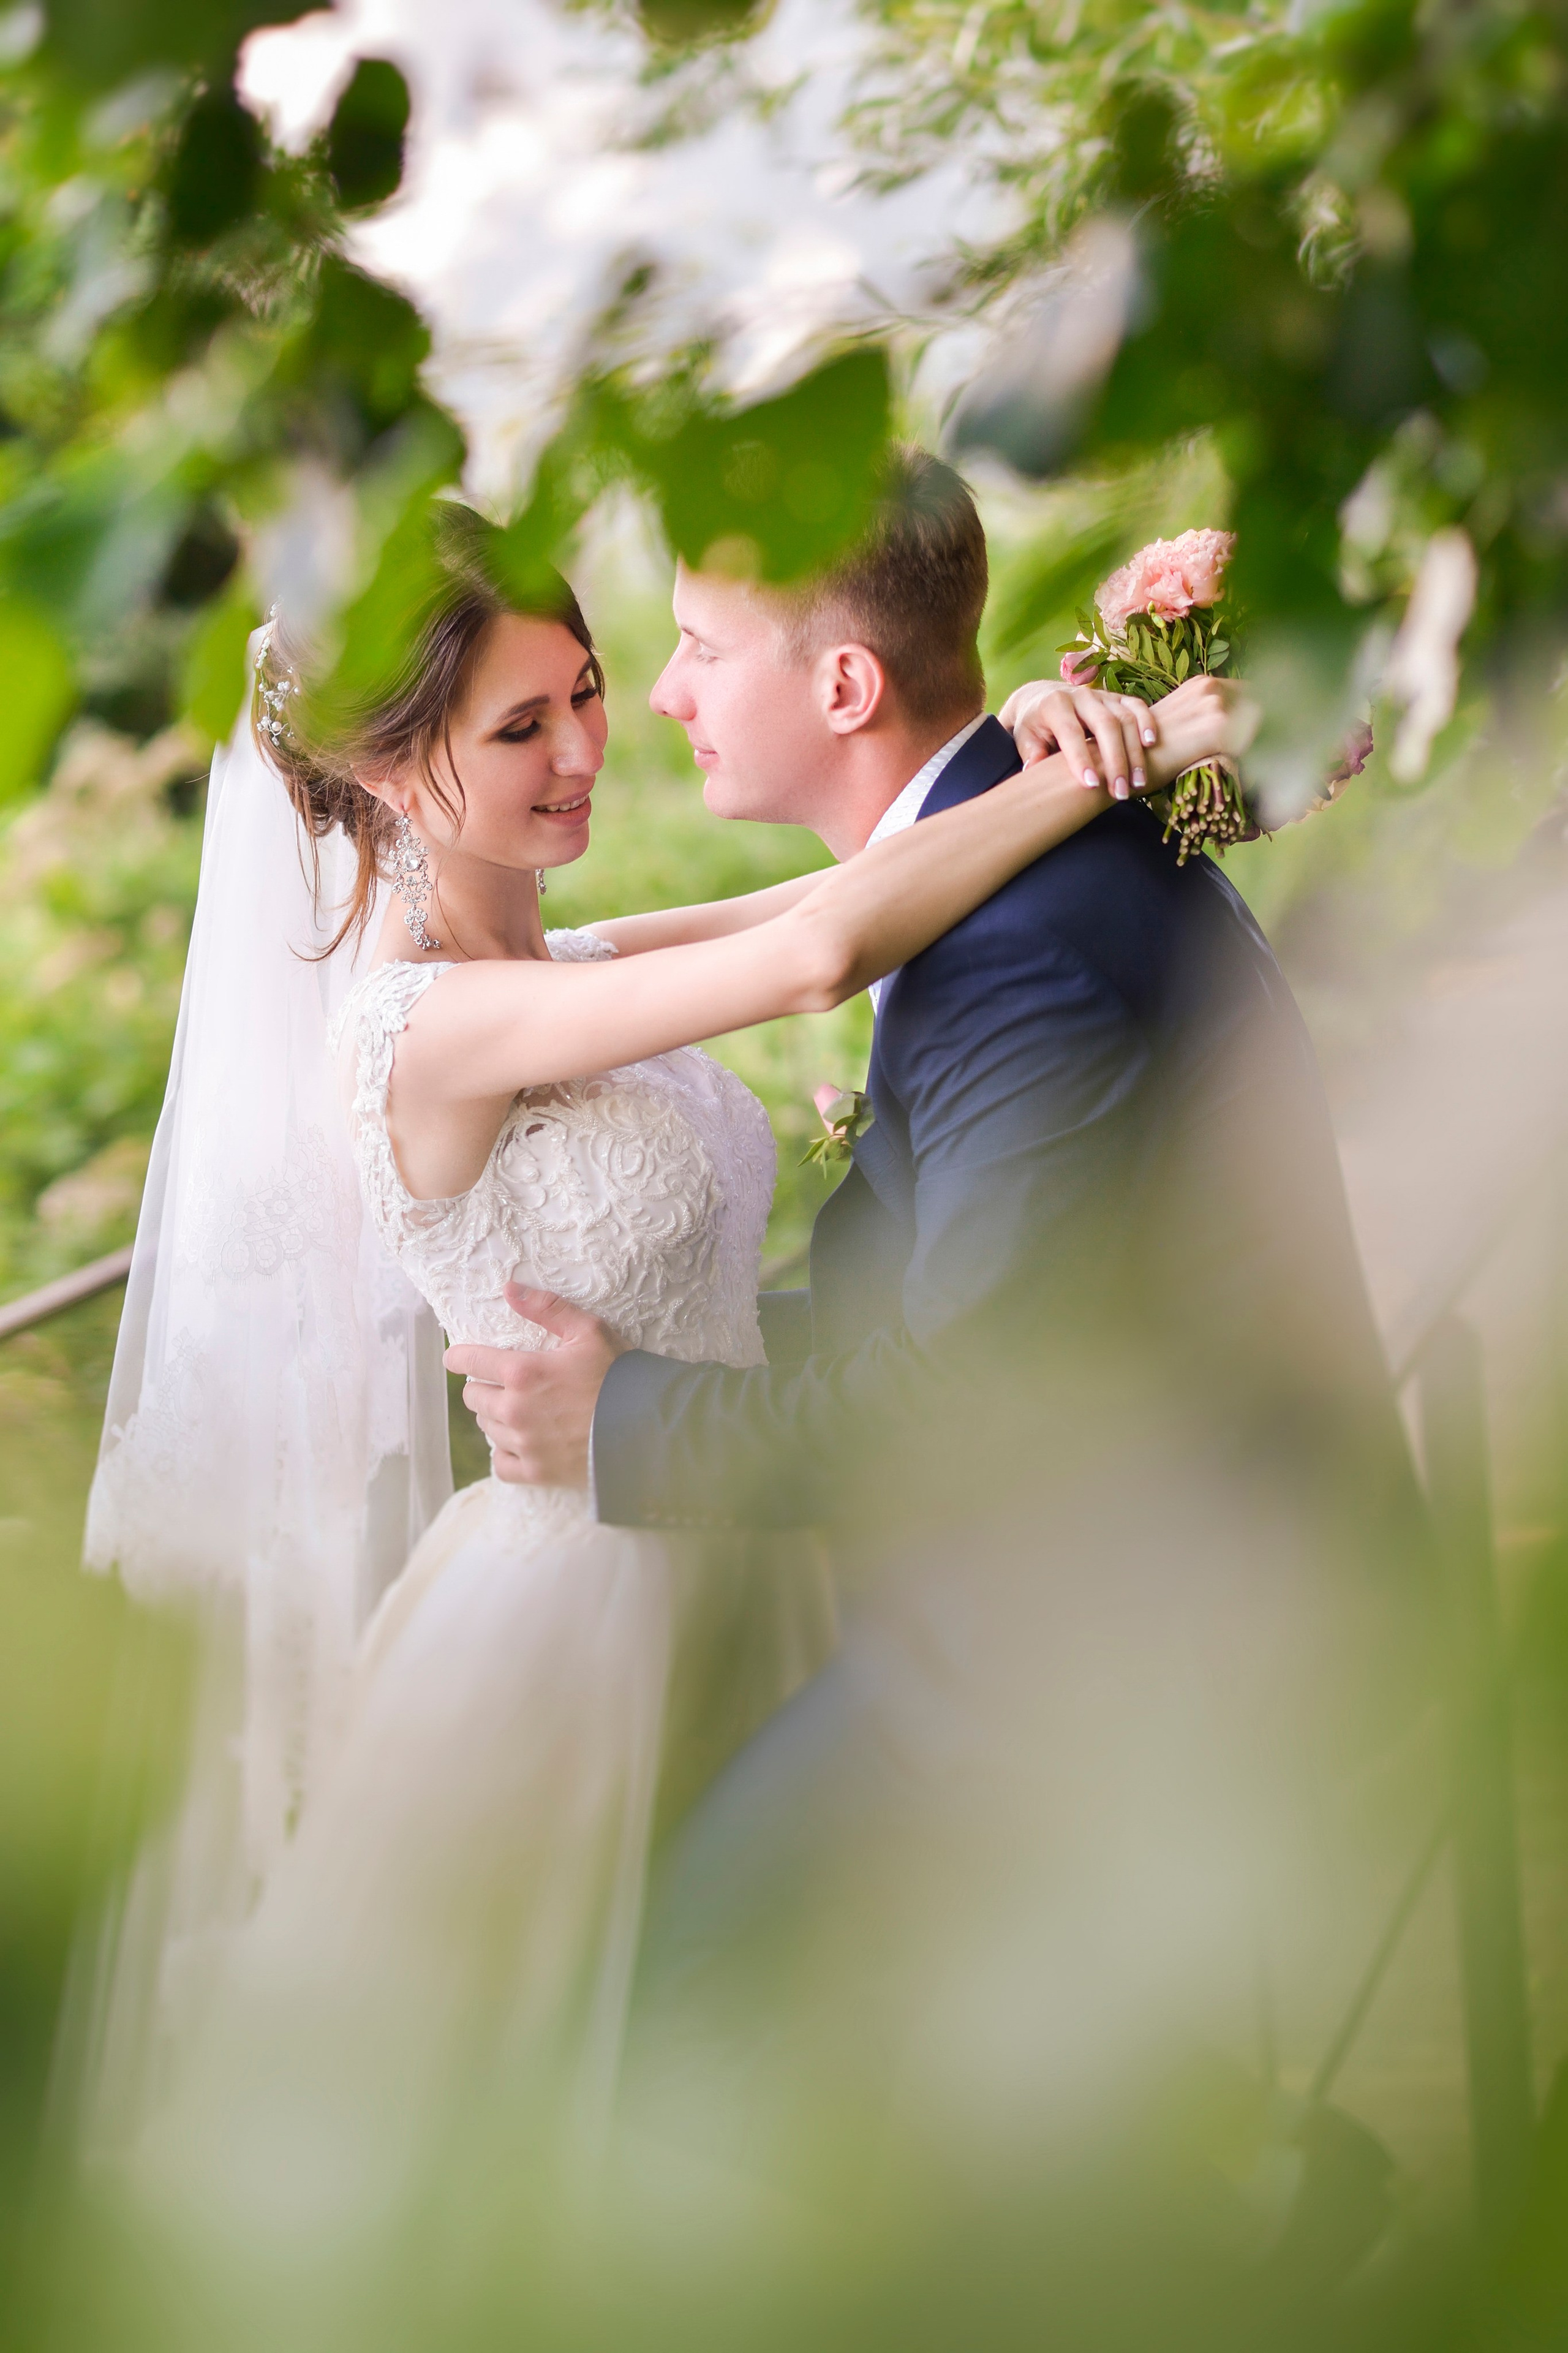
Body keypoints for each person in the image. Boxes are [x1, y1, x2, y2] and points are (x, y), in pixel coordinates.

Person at [80, 480, 1240, 2282]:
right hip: (574, 1607)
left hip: (740, 1534)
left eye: (595, 686)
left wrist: (1047, 728)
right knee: (553, 2093)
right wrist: (1146, 741)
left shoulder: (570, 960)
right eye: (519, 725)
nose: (587, 749)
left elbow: (861, 883)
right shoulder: (418, 1031)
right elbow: (819, 952)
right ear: (391, 774)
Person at [450, 452, 1432, 2201]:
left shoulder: (1014, 949)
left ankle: (1245, 2205)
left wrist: (619, 1421)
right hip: (1138, 1550)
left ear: (841, 685)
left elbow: (954, 1391)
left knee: (684, 2000)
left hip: (1128, 1640)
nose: (657, 699)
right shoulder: (1025, 839)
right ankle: (1216, 2169)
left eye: (686, 648)